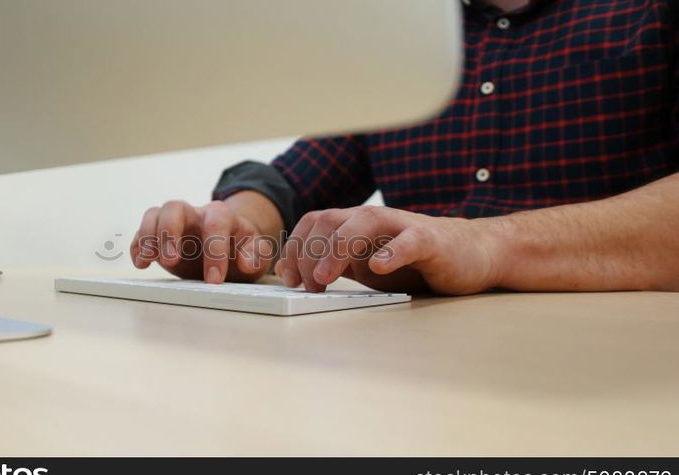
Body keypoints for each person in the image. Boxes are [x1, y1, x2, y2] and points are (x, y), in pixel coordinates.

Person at [130, 0, 679, 295]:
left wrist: (485, 243)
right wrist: (234, 225)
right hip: (420, 382)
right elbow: (293, 184)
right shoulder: (407, 48)